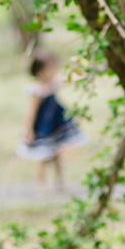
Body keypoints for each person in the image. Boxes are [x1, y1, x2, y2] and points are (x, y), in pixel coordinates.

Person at [17, 50, 87, 189]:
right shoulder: (37, 91)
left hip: (55, 125)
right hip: (43, 128)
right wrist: (28, 131)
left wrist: (85, 74)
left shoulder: (53, 83)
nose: (54, 71)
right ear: (41, 72)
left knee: (57, 156)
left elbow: (68, 79)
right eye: (51, 68)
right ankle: (40, 185)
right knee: (43, 158)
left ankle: (60, 184)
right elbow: (31, 113)